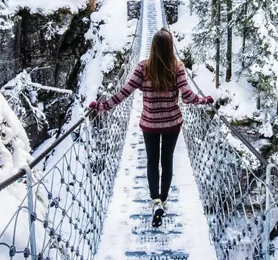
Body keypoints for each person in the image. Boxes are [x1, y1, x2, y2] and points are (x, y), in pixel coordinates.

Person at [88, 28, 214, 227]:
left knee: (152, 162)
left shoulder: (142, 67)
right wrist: (204, 100)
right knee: (167, 161)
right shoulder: (178, 67)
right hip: (173, 123)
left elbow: (125, 92)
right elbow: (188, 96)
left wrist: (102, 106)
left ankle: (155, 201)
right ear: (170, 47)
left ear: (153, 47)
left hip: (150, 123)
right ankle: (163, 200)